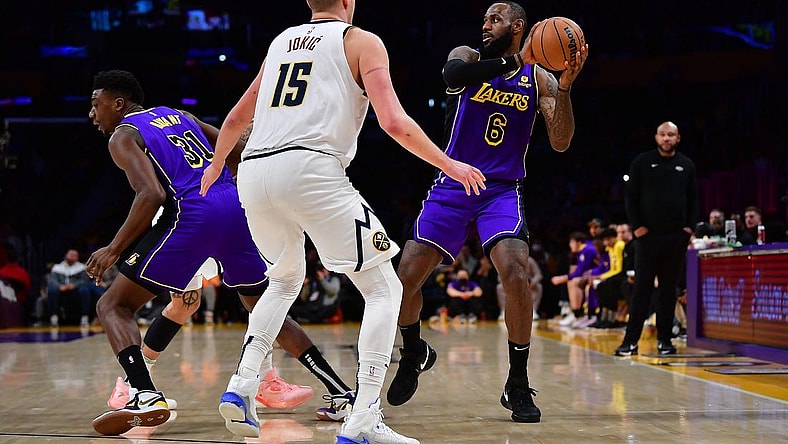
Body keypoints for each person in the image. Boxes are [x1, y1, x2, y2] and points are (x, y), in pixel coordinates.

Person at [200, 1, 486, 442]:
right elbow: (393, 122)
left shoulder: (281, 42)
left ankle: (242, 383)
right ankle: (364, 418)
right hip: (309, 167)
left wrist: (218, 163)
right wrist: (449, 164)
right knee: (385, 288)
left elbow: (237, 118)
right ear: (349, 1)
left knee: (283, 281)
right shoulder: (361, 41)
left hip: (254, 172)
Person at [85, 70, 353, 435]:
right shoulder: (179, 115)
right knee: (263, 308)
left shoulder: (123, 135)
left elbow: (152, 194)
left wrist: (113, 249)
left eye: (96, 104)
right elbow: (236, 151)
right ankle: (340, 392)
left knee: (113, 306)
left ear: (118, 104)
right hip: (234, 207)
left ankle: (144, 393)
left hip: (192, 215)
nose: (92, 113)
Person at [387, 0, 587, 424]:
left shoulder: (539, 78)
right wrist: (517, 59)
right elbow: (452, 76)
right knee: (404, 278)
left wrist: (566, 88)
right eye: (484, 19)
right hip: (454, 182)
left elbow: (561, 141)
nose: (485, 25)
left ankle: (518, 381)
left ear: (518, 26)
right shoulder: (468, 57)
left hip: (500, 190)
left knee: (516, 269)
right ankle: (414, 350)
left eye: (495, 19)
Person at [614, 121, 698, 357]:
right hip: (648, 237)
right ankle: (630, 342)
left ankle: (665, 341)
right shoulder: (642, 162)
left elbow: (693, 199)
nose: (666, 138)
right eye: (663, 134)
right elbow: (631, 197)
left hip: (675, 238)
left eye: (671, 135)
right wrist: (637, 227)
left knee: (668, 290)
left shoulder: (686, 165)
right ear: (656, 137)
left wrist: (689, 228)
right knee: (641, 290)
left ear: (678, 138)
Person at [550, 231, 597, 327]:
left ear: (578, 242)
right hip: (590, 275)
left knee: (574, 281)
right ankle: (574, 313)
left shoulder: (588, 250)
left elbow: (580, 272)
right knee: (571, 281)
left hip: (596, 275)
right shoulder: (583, 251)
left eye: (571, 242)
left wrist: (563, 278)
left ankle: (576, 313)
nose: (570, 245)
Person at [46, 248, 100, 327]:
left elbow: (84, 280)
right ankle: (54, 318)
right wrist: (60, 286)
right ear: (66, 255)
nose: (72, 256)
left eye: (75, 255)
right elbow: (52, 280)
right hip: (61, 290)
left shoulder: (81, 268)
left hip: (76, 290)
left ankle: (84, 317)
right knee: (51, 290)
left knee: (85, 289)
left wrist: (74, 285)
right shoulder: (57, 268)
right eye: (71, 254)